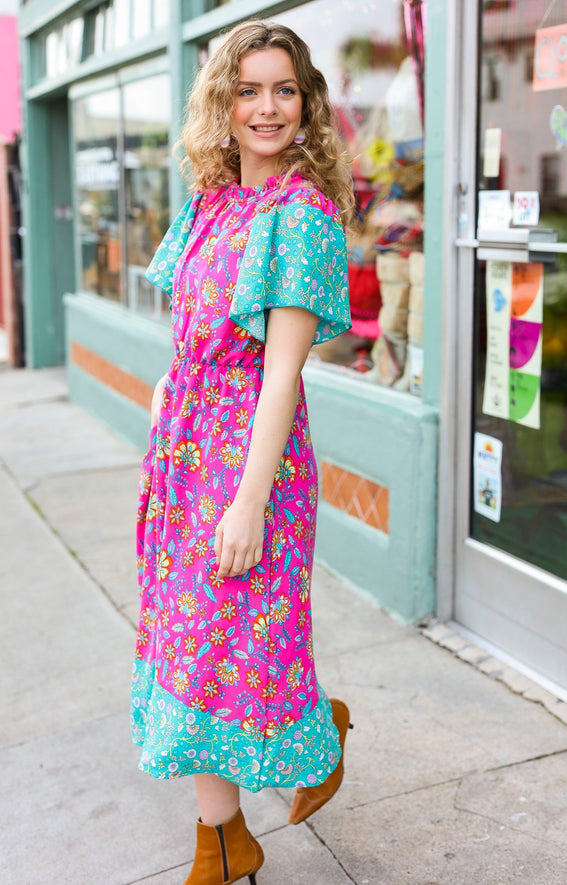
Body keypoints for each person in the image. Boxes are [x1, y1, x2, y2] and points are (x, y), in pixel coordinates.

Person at [130, 19, 354, 885]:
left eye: (284, 90)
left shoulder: (302, 215)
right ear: (222, 104)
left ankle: (314, 731)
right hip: (185, 454)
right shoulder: (211, 199)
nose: (266, 107)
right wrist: (163, 400)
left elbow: (282, 377)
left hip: (252, 461)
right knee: (187, 648)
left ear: (306, 106)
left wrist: (249, 500)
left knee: (236, 649)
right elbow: (189, 333)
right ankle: (223, 843)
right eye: (248, 89)